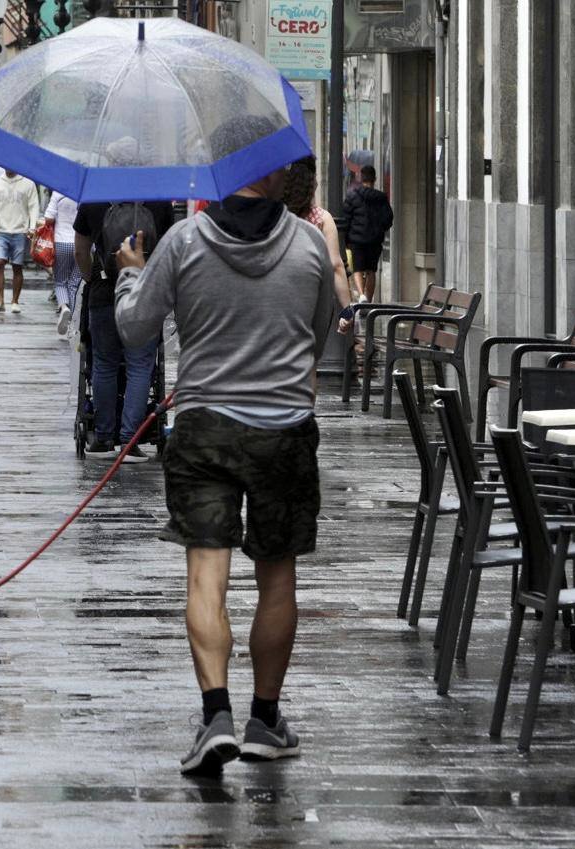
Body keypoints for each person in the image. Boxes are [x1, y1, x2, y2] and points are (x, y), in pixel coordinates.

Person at [113, 147, 336, 776]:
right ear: (273, 177)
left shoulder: (183, 243)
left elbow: (133, 329)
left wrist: (133, 271)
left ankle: (216, 715)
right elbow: (319, 333)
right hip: (284, 431)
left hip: (205, 428)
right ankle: (265, 719)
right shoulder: (309, 246)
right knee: (277, 578)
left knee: (205, 578)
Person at [73, 198, 175, 461]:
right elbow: (167, 252)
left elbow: (80, 253)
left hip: (103, 291)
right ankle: (130, 440)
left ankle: (103, 439)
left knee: (104, 363)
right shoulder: (159, 203)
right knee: (140, 366)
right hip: (145, 290)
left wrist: (91, 277)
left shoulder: (92, 201)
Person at [282, 157, 353, 335]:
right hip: (312, 300)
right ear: (311, 184)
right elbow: (336, 265)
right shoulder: (322, 219)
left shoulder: (275, 215)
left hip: (277, 300)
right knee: (309, 356)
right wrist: (347, 310)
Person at [0, 168, 39, 313]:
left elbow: (33, 207)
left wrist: (32, 227)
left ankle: (15, 301)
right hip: (1, 230)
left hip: (20, 231)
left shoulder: (28, 184)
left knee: (17, 266)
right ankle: (0, 300)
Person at [341, 165, 394, 302]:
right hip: (374, 241)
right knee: (371, 270)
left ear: (360, 177)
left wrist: (346, 239)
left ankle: (361, 295)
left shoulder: (352, 196)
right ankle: (369, 300)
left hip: (356, 240)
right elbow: (388, 218)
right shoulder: (381, 198)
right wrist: (380, 229)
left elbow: (346, 218)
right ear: (374, 179)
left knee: (358, 269)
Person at [44, 190, 81, 335]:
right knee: (75, 282)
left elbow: (48, 218)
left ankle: (64, 307)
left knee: (60, 282)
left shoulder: (58, 193)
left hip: (62, 242)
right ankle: (75, 321)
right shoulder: (83, 193)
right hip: (82, 245)